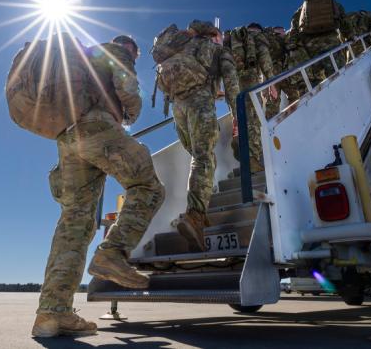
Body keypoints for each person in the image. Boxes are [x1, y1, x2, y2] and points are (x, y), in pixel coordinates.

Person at [32, 35, 165, 338]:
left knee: (74, 225)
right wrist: (131, 112)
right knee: (148, 187)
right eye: (136, 53)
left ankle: (52, 314)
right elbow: (128, 90)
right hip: (97, 126)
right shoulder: (118, 52)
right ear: (131, 48)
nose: (134, 57)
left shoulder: (79, 60)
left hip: (67, 137)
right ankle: (112, 253)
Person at [153, 20, 239, 251]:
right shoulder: (218, 50)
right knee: (203, 157)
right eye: (221, 37)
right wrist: (237, 112)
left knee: (198, 156)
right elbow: (231, 81)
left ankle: (199, 207)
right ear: (214, 35)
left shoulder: (184, 45)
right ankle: (195, 215)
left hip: (177, 105)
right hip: (199, 101)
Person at [224, 22, 274, 171]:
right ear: (258, 29)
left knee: (238, 117)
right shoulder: (256, 36)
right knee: (253, 118)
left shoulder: (232, 38)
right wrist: (271, 81)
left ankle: (239, 142)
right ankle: (253, 158)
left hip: (230, 81)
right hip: (249, 79)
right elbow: (264, 58)